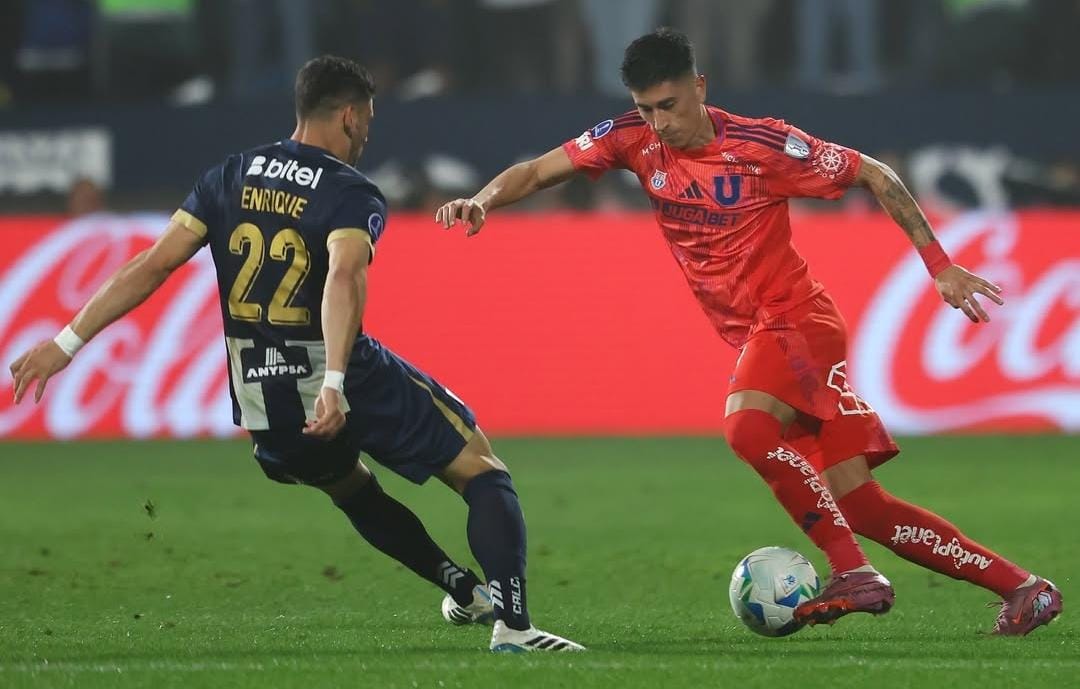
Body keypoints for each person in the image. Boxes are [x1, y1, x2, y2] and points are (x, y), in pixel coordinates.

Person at [434, 29, 1063, 635]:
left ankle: (854, 573)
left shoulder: (763, 145)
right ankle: (1023, 588)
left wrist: (940, 265)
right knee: (864, 505)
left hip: (795, 321)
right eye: (646, 109)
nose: (659, 123)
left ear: (700, 87)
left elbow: (876, 174)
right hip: (768, 336)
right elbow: (541, 170)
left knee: (746, 427)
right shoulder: (631, 141)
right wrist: (484, 200)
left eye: (670, 106)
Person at [8, 55, 583, 654]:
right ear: (351, 116)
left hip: (261, 394)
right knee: (484, 474)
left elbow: (153, 264)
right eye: (368, 120)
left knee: (352, 490)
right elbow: (343, 276)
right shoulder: (348, 191)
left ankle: (462, 590)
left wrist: (64, 343)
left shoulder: (228, 176)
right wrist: (333, 380)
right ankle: (514, 627)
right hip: (338, 373)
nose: (367, 133)